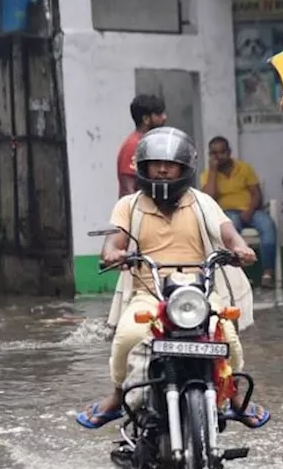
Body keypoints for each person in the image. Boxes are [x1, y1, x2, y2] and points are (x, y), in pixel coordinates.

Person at [76, 127, 270, 429]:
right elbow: (113, 242)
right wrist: (114, 254)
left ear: (184, 168)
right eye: (156, 163)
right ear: (144, 167)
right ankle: (117, 395)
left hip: (199, 295)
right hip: (149, 295)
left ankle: (234, 394)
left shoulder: (202, 202)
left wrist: (240, 248)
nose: (163, 169)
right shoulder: (129, 205)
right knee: (128, 336)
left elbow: (227, 232)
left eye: (170, 164)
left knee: (227, 337)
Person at [201, 136, 278, 288]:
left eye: (222, 152)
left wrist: (249, 211)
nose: (219, 156)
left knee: (268, 225)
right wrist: (213, 173)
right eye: (214, 153)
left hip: (251, 210)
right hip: (226, 214)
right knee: (231, 228)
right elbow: (208, 199)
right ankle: (240, 275)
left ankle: (267, 273)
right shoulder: (207, 174)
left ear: (229, 152)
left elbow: (257, 194)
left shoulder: (244, 168)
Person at [116, 94, 168, 197]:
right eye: (159, 114)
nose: (164, 117)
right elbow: (128, 190)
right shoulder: (133, 146)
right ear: (146, 119)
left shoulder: (151, 144)